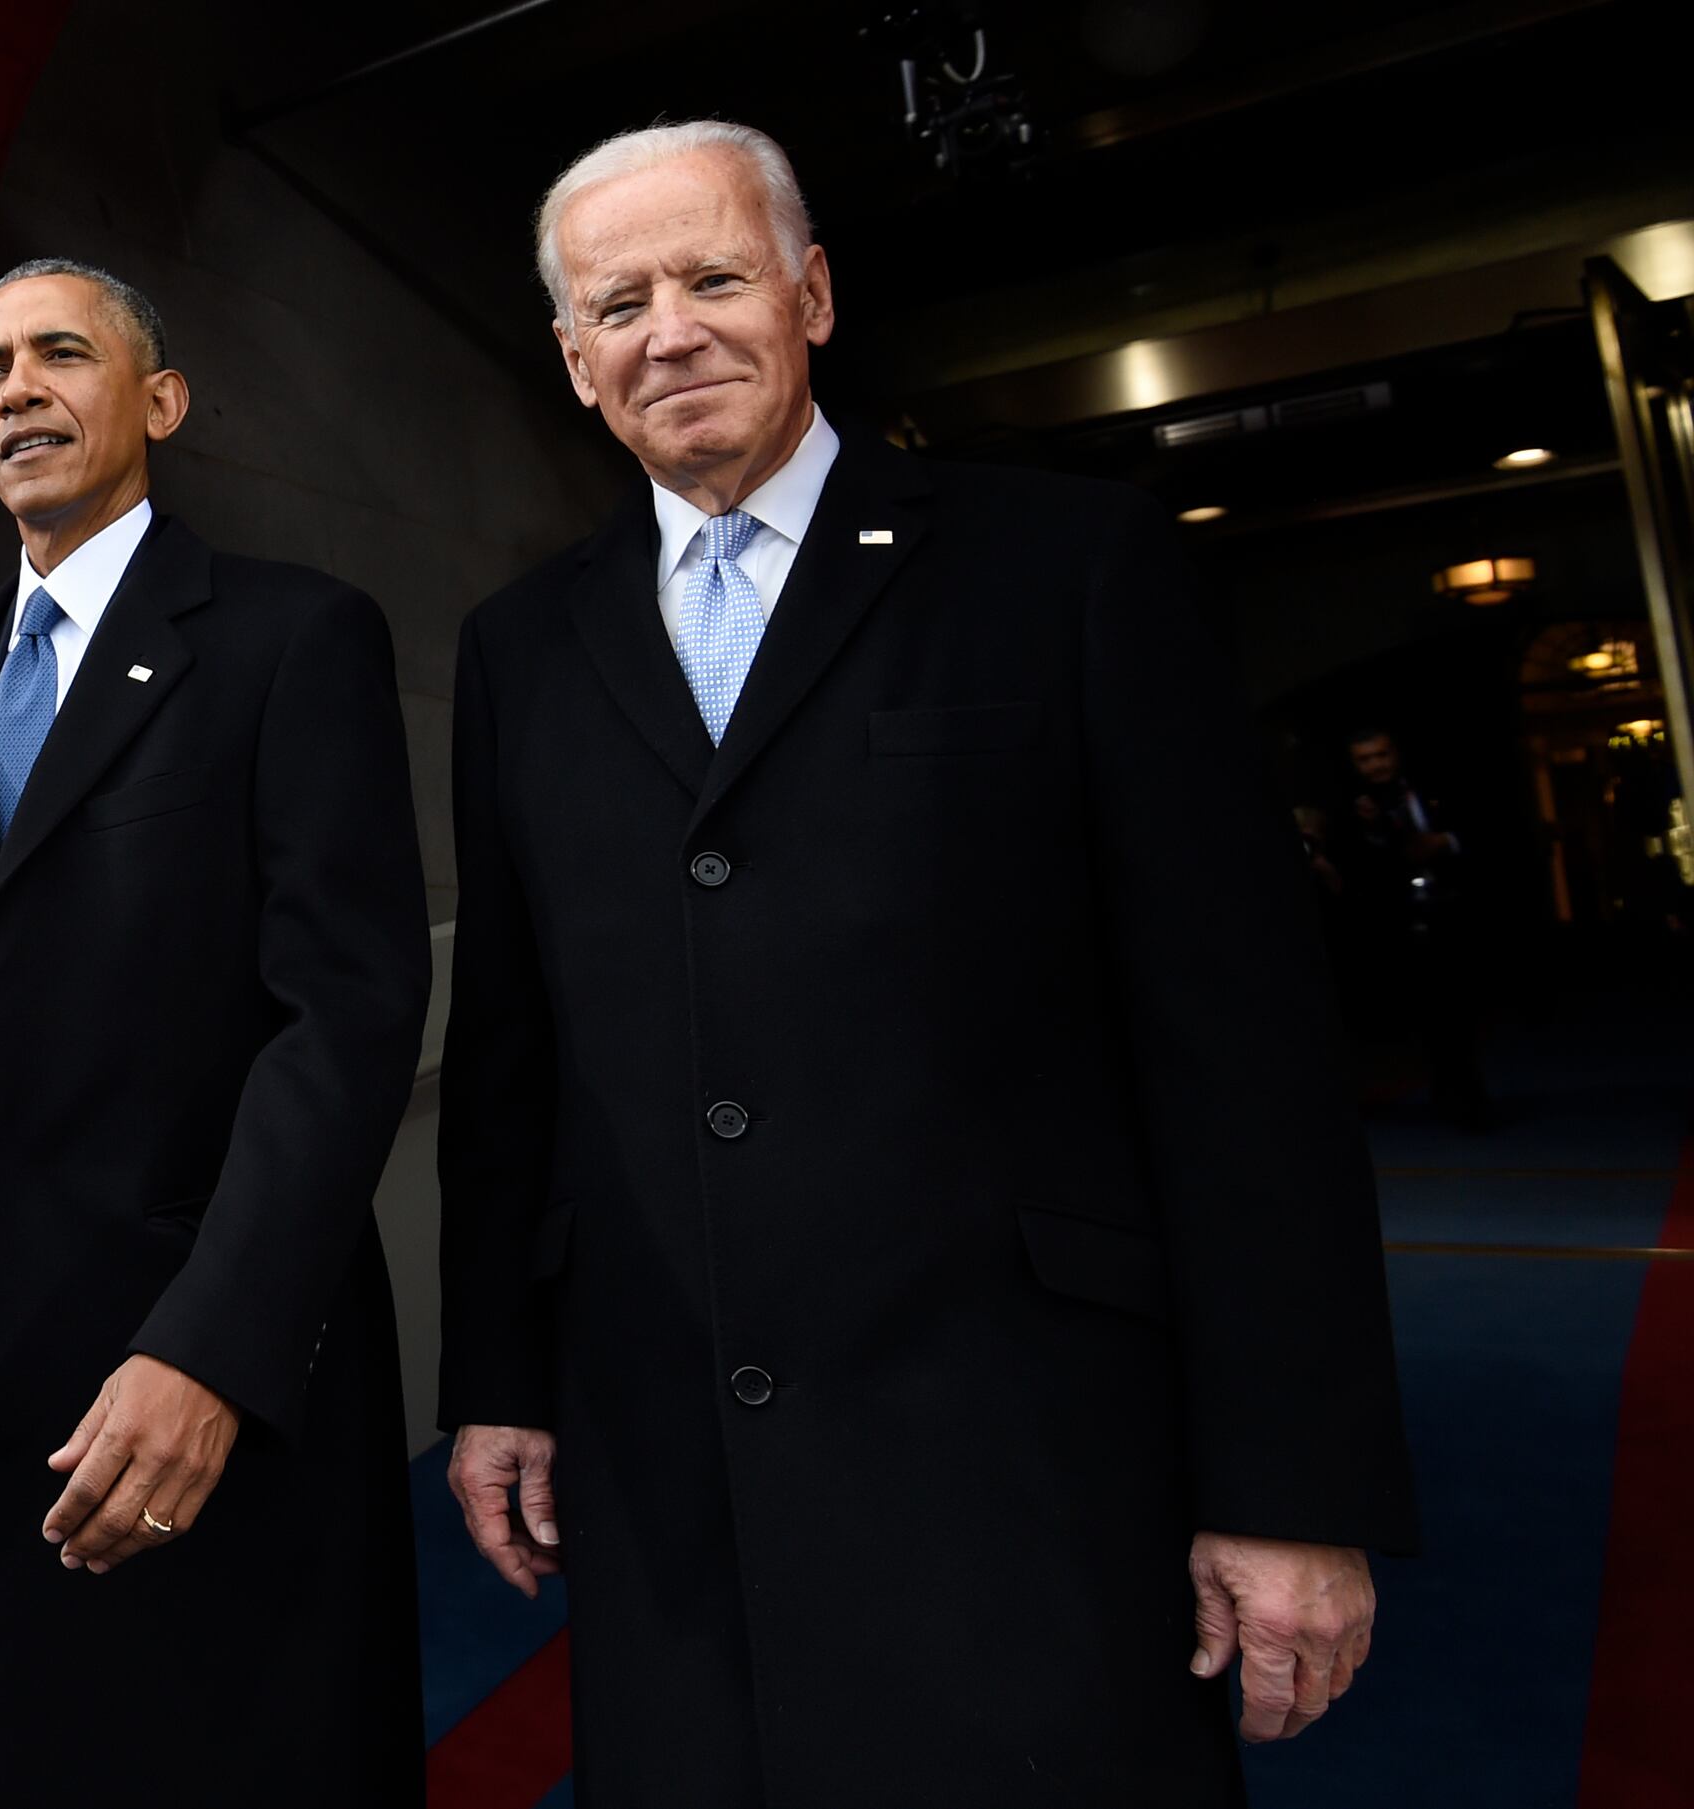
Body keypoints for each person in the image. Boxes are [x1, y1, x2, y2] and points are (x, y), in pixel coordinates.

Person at [435, 122, 1417, 1807]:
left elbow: (1241, 1050)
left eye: (714, 276)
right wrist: (497, 1378)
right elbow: (518, 1054)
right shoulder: (520, 650)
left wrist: (1288, 1477)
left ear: (812, 293)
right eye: (618, 301)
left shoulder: (1067, 568)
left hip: (1025, 1469)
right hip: (680, 1499)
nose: (667, 329)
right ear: (573, 358)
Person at [0, 259, 431, 1807]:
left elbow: (343, 1022)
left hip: (199, 1377)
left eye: (62, 355)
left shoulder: (291, 638)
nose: (18, 392)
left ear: (162, 401)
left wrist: (210, 1345)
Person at [1337, 726, 1492, 1126]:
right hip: (1398, 921)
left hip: (1452, 910)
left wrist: (1445, 844)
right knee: (1427, 1014)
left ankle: (1468, 1094)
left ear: (1395, 753)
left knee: (1461, 1009)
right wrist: (1373, 831)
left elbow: (1485, 828)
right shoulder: (1352, 806)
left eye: (1381, 755)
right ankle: (1448, 1092)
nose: (1376, 766)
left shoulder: (1430, 788)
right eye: (1365, 759)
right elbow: (1354, 868)